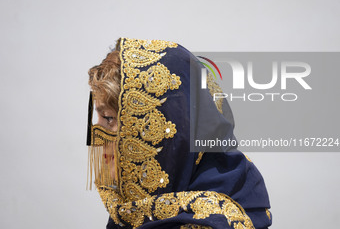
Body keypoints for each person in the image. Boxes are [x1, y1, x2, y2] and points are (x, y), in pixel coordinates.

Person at [86, 37, 272, 229]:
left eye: (109, 118)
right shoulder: (131, 212)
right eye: (98, 119)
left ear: (161, 131)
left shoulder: (217, 222)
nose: (96, 137)